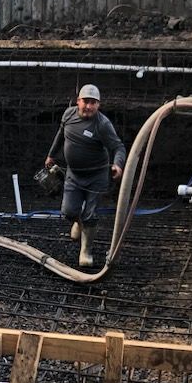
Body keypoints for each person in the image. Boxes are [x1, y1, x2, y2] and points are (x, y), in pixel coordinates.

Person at [44, 84, 127, 268]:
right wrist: (51, 154)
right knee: (68, 211)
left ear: (98, 105)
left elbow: (118, 147)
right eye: (86, 102)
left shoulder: (102, 124)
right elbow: (60, 134)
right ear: (78, 101)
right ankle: (77, 222)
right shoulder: (68, 115)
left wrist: (118, 165)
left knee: (90, 214)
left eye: (93, 103)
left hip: (96, 176)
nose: (88, 106)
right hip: (73, 174)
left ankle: (86, 250)